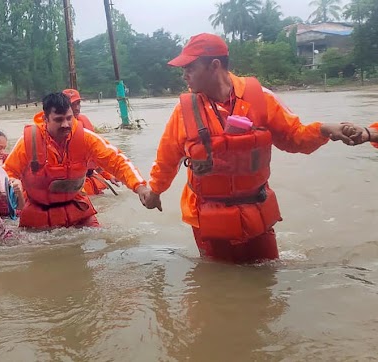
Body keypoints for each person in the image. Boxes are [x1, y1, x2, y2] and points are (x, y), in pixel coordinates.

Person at [141, 33, 361, 264]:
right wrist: (155, 192)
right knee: (221, 286)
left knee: (267, 279)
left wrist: (325, 129)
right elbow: (167, 159)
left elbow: (294, 138)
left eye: (190, 68)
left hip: (256, 209)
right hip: (207, 215)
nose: (184, 75)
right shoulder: (183, 112)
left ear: (214, 65)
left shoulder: (261, 98)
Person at [3, 92, 151, 229]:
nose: (66, 124)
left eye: (69, 118)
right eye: (59, 120)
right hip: (38, 213)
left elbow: (117, 161)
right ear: (45, 119)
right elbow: (7, 172)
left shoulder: (86, 137)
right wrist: (12, 182)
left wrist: (140, 187)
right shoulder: (28, 142)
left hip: (77, 210)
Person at [62, 88, 120, 196]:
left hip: (89, 178)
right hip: (71, 184)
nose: (77, 107)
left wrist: (108, 175)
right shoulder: (56, 129)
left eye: (78, 103)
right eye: (72, 104)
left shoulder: (83, 122)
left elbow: (95, 155)